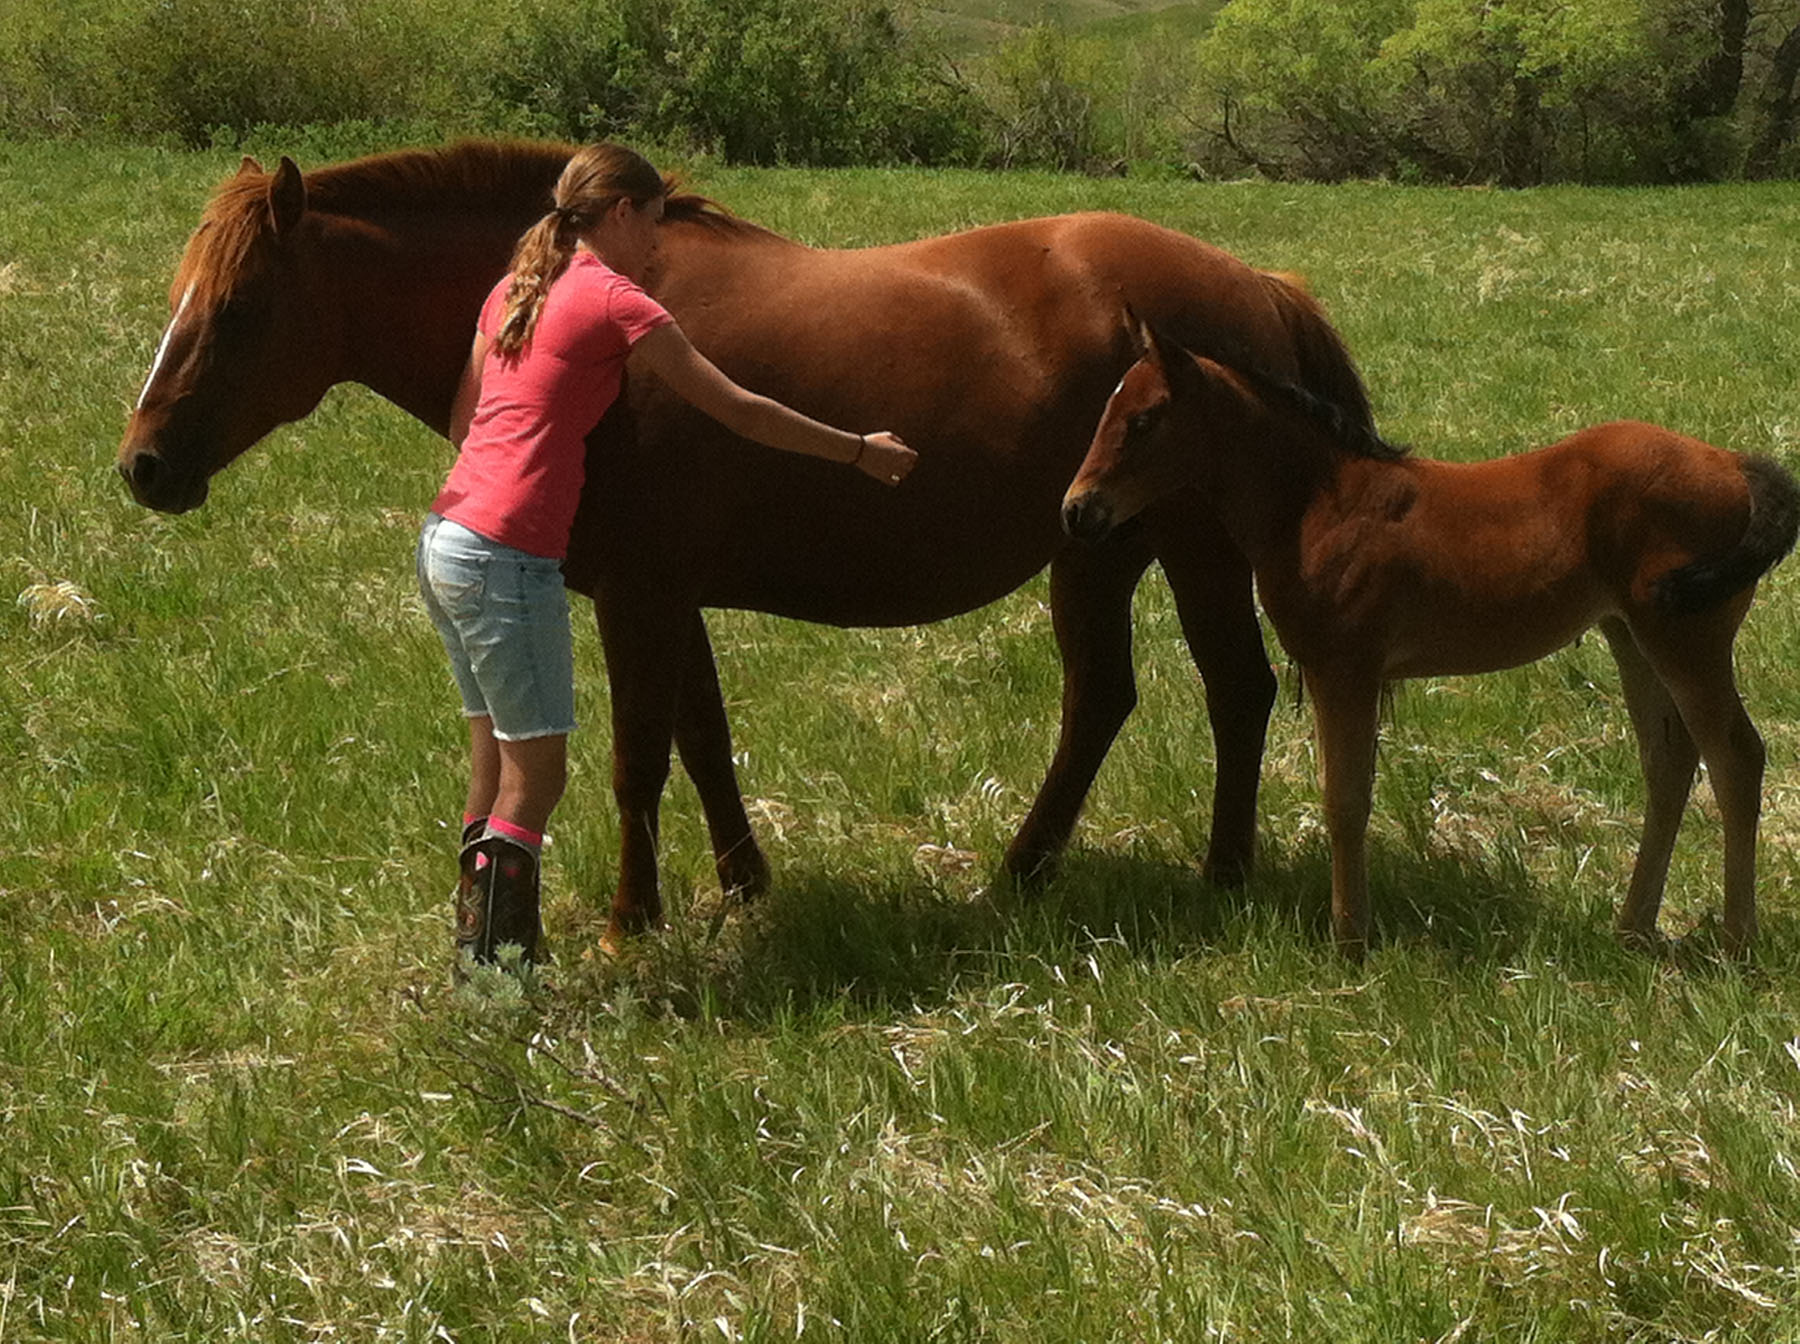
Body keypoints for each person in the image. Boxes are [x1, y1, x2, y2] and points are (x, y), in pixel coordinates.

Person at [418, 142, 916, 969]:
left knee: (490, 764)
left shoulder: (511, 289)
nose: (661, 244)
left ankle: (473, 953)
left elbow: (463, 422)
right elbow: (740, 409)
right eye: (654, 223)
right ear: (620, 215)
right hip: (507, 558)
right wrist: (857, 449)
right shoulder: (615, 299)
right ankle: (498, 980)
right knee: (535, 779)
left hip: (446, 540)